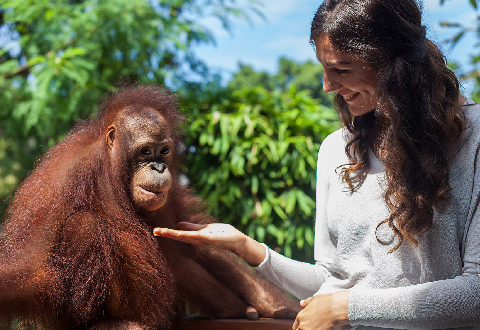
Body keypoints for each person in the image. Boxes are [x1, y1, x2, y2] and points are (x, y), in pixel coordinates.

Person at [154, 0, 480, 329]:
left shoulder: (473, 139)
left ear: (393, 63)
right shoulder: (337, 150)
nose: (327, 85)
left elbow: (475, 294)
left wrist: (347, 307)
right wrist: (247, 248)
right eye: (324, 69)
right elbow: (332, 281)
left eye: (341, 69)